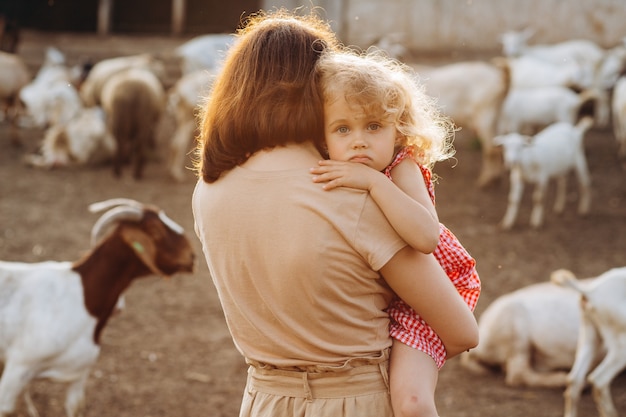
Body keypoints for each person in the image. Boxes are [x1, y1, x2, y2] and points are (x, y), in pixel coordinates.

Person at [191, 9, 478, 417]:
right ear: (315, 91)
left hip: (264, 400)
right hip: (355, 400)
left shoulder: (209, 191)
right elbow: (462, 332)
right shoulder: (348, 192)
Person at [311, 50, 481, 417]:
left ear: (398, 129)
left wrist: (374, 182)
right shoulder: (330, 170)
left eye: (374, 126)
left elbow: (425, 238)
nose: (359, 141)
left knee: (411, 403)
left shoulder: (400, 167)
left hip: (427, 296)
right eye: (343, 129)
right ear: (322, 137)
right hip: (380, 297)